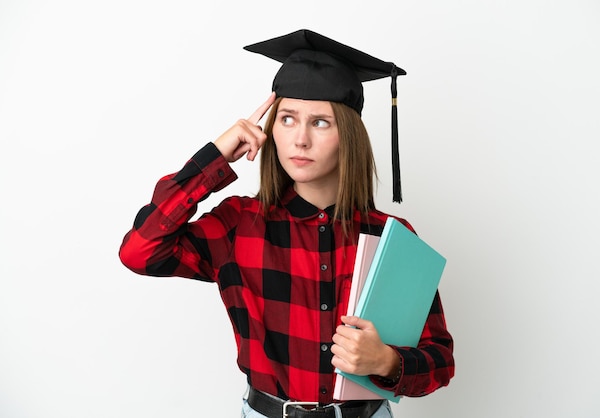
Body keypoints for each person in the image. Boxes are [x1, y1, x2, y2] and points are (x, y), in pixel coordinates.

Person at [119, 29, 454, 418]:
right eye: (288, 119)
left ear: (348, 135)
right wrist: (214, 159)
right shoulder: (238, 225)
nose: (300, 140)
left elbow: (440, 361)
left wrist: (386, 362)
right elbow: (140, 252)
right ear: (271, 129)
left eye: (321, 123)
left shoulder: (390, 236)